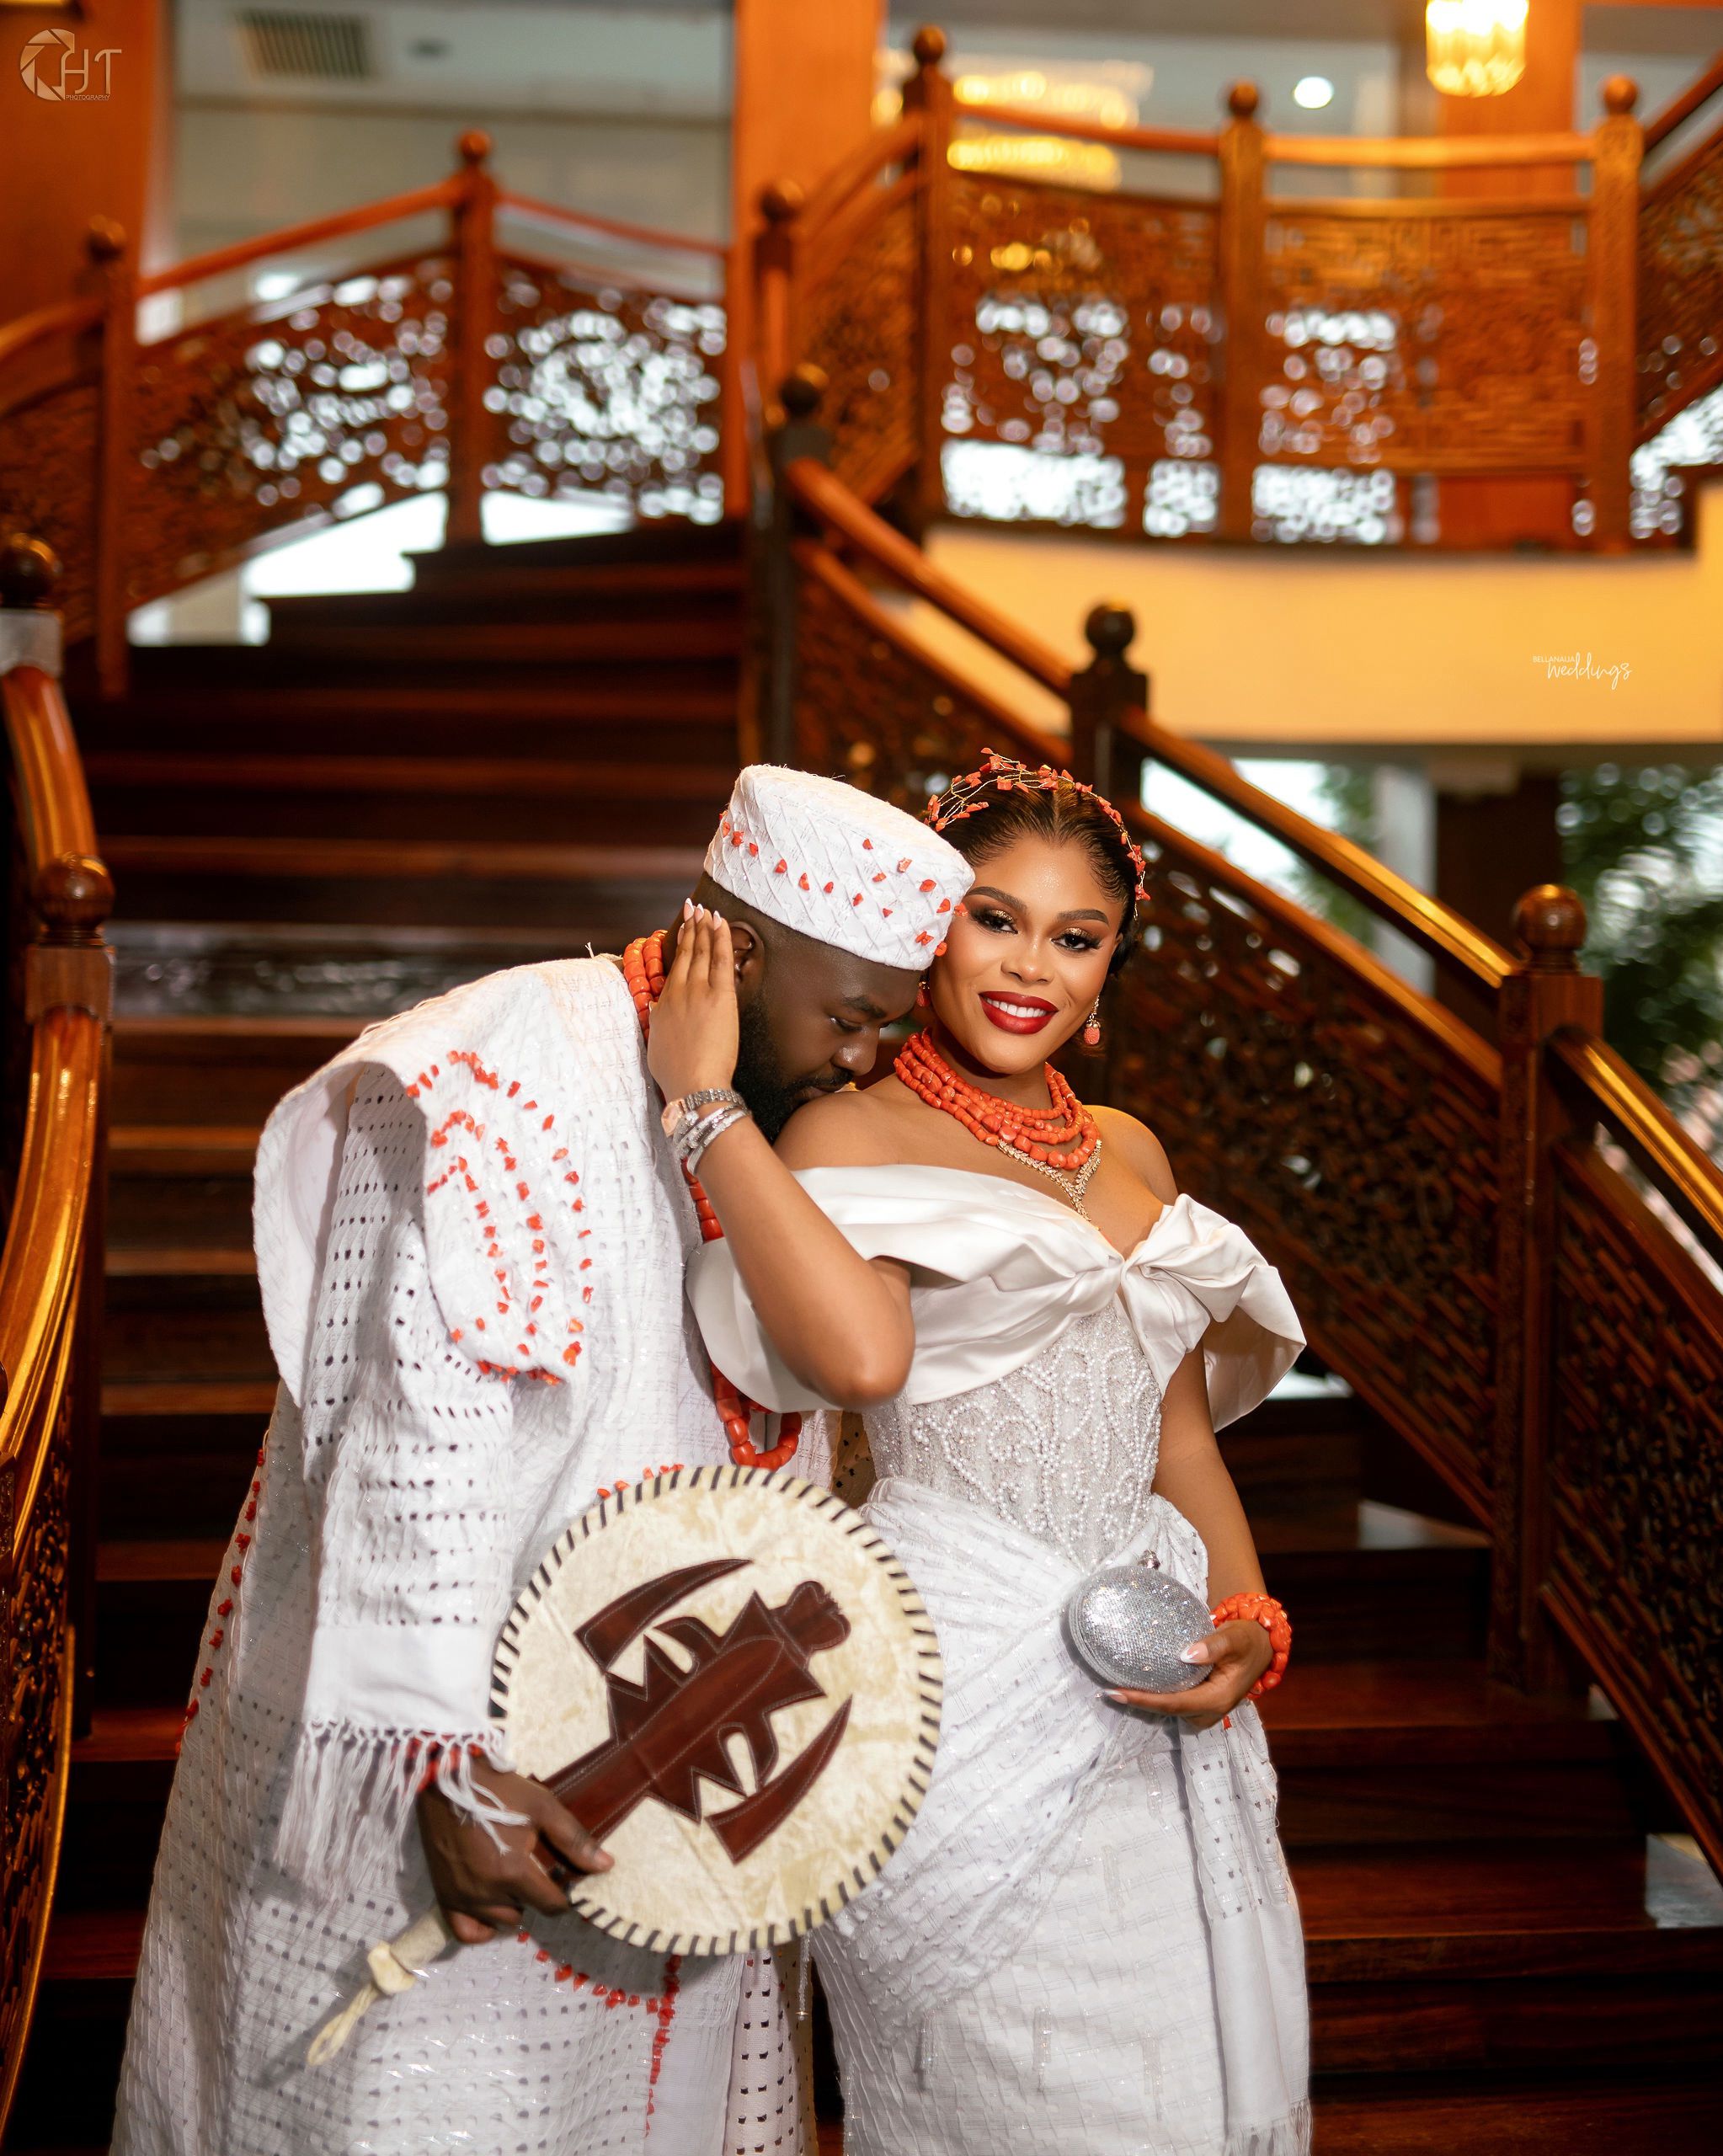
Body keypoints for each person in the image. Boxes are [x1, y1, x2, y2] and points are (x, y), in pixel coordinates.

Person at [111, 767, 975, 2156]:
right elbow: (410, 1444)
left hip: (652, 1741)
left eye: (891, 1025)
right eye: (851, 1018)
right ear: (737, 954)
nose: (868, 1058)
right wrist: (443, 1769)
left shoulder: (762, 1102)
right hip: (464, 1741)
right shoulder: (502, 1064)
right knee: (401, 2103)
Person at [652, 752, 1311, 2156]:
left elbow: (1176, 1438)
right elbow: (854, 1366)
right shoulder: (846, 1127)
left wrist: (1247, 1615)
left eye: (1076, 938)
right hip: (949, 1686)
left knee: (1190, 2104)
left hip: (1153, 1688)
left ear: (1109, 966)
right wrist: (704, 1103)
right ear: (926, 933)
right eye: (994, 920)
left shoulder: (1128, 1147)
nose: (1029, 968)